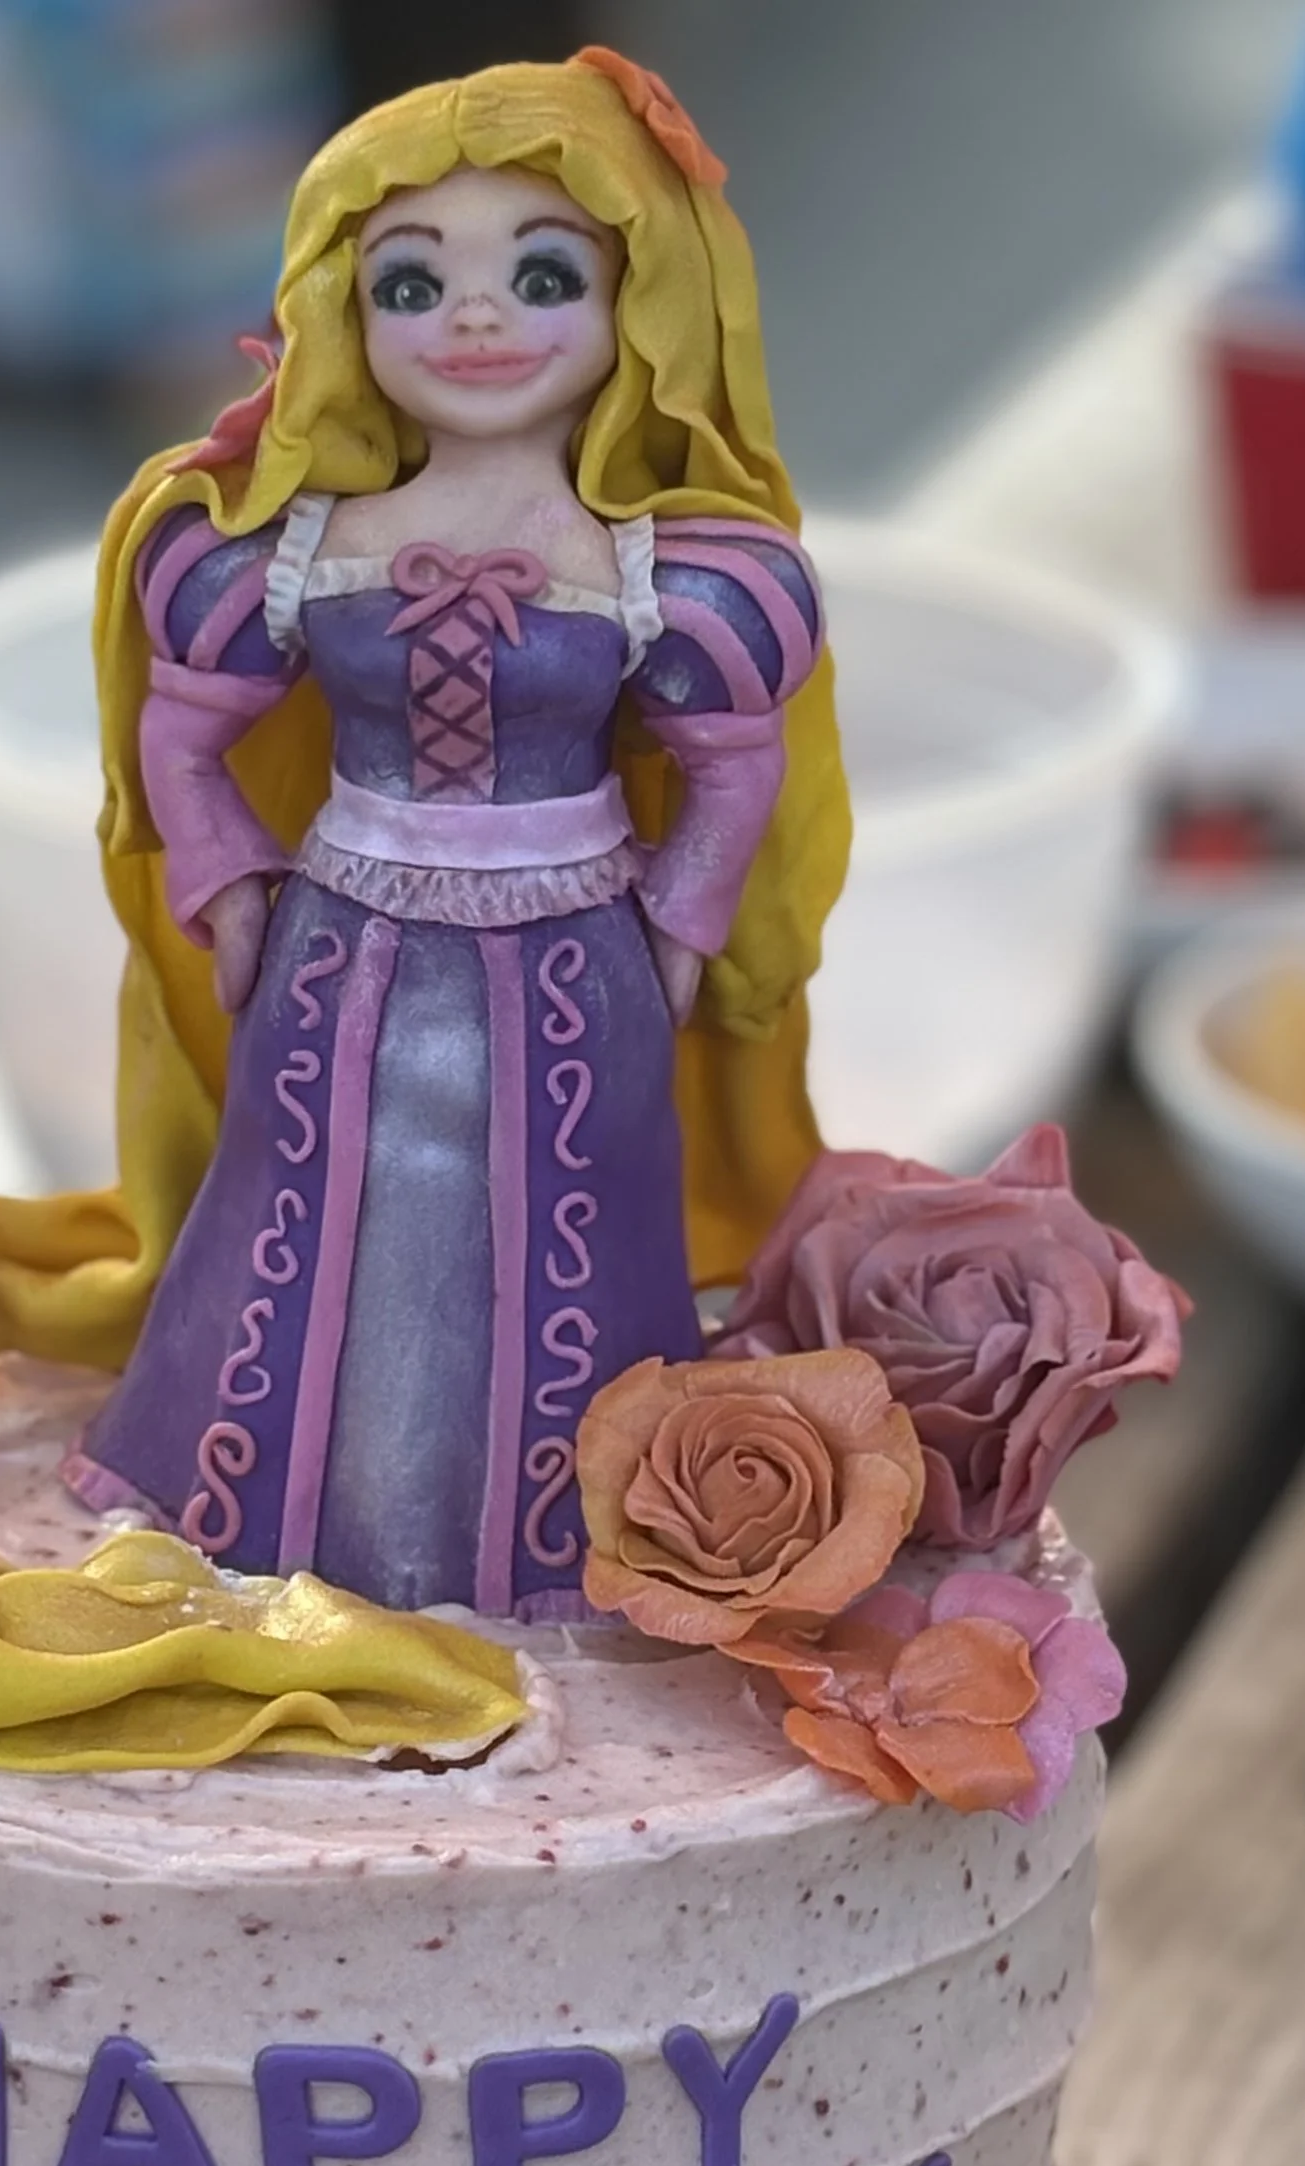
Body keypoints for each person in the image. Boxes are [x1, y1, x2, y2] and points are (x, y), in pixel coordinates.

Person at [66, 50, 850, 1617]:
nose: (476, 320)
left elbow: (735, 765)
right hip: (340, 954)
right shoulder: (290, 554)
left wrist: (684, 923)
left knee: (566, 1234)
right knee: (311, 1217)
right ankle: (274, 1513)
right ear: (341, 312)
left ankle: (541, 1543)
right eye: (414, 284)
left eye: (541, 275)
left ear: (635, 306)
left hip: (573, 967)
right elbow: (183, 733)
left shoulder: (661, 578)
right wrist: (227, 884)